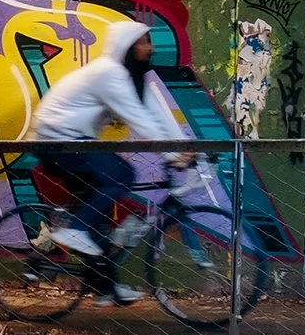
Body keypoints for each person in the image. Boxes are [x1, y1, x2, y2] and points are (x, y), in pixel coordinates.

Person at [26, 20, 189, 305]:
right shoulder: (109, 74)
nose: (148, 48)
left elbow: (158, 116)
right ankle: (75, 227)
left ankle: (105, 288)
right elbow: (137, 118)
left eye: (149, 42)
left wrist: (188, 150)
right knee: (122, 174)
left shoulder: (130, 77)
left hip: (72, 139)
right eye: (141, 42)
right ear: (125, 46)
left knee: (99, 211)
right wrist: (171, 155)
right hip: (56, 139)